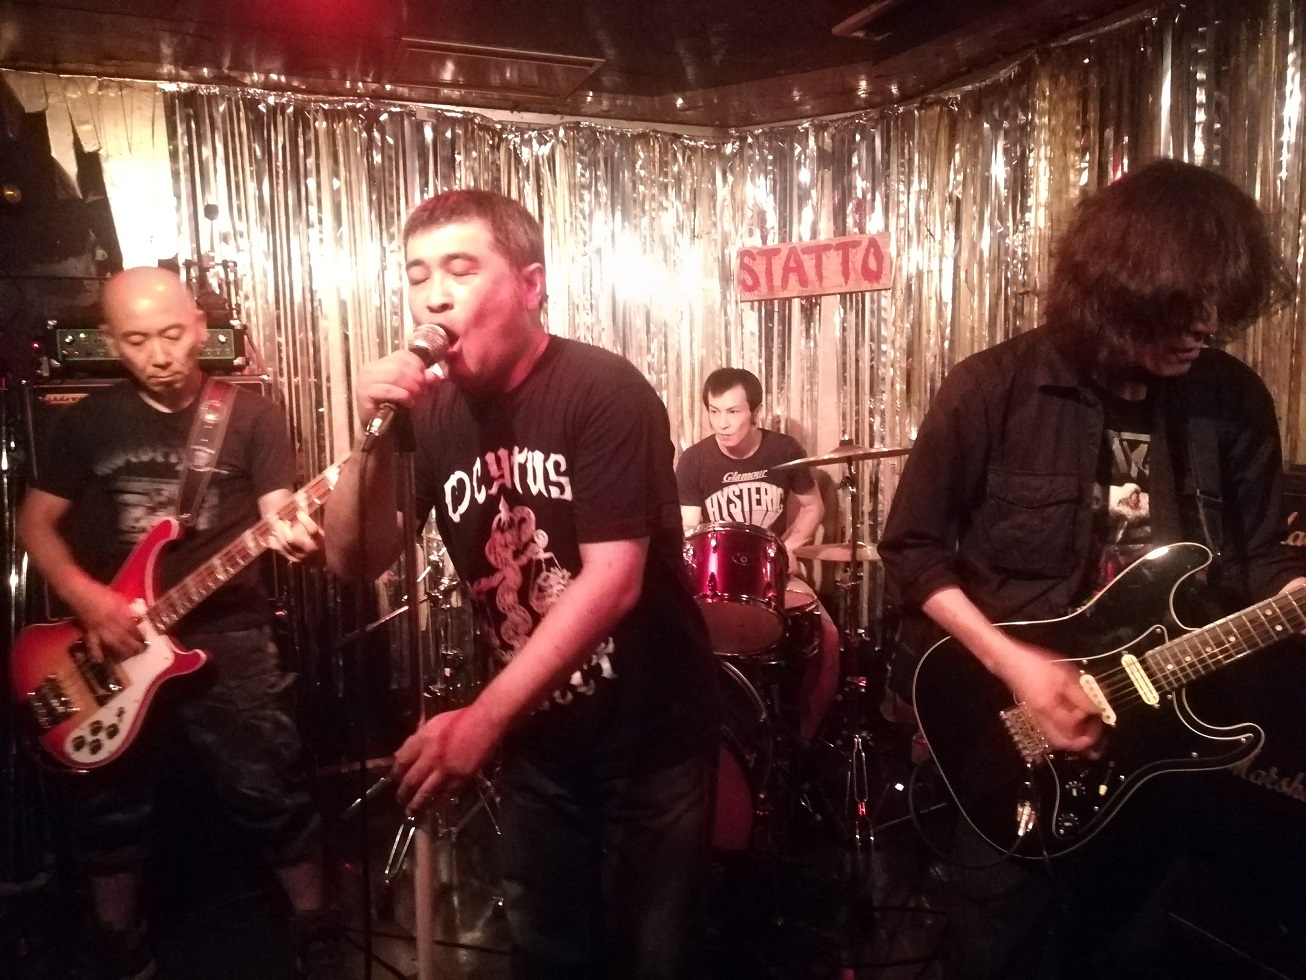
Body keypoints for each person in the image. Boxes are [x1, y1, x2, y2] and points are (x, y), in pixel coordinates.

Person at [878, 158, 1306, 979]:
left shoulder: (1232, 401)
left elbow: (1260, 559)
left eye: (1218, 308)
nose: (1203, 328)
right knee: (995, 952)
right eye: (1181, 306)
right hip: (1010, 733)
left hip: (1164, 739)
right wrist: (1021, 667)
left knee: (1128, 952)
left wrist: (1291, 593)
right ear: (1117, 287)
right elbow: (913, 550)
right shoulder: (993, 388)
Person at [322, 189, 719, 979]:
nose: (434, 296)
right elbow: (352, 559)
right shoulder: (431, 415)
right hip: (540, 742)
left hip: (650, 738)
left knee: (653, 957)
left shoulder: (602, 388)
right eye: (418, 275)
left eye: (460, 269)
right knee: (546, 951)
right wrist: (367, 439)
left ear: (531, 285)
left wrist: (483, 718)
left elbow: (613, 580)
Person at [16, 267, 339, 980]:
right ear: (111, 342)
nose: (159, 355)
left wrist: (293, 532)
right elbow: (34, 523)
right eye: (137, 341)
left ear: (199, 327)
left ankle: (315, 929)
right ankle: (116, 939)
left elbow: (278, 509)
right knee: (108, 798)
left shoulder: (251, 416)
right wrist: (89, 601)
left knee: (270, 785)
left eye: (171, 334)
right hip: (113, 636)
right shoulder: (87, 421)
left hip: (228, 631)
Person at [676, 367, 840, 740]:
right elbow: (688, 530)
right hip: (718, 580)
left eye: (733, 411)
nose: (722, 423)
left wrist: (787, 548)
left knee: (829, 640)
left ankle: (803, 740)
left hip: (772, 574)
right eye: (714, 411)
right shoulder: (694, 461)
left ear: (755, 412)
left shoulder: (784, 450)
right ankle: (710, 739)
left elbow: (812, 507)